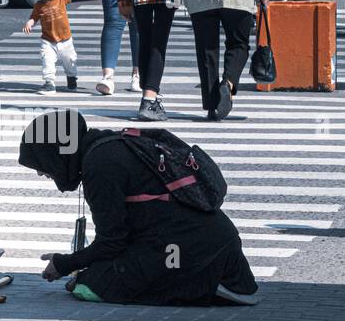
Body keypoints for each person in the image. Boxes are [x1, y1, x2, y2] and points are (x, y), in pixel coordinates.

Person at [19, 109, 260, 305]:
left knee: (90, 285)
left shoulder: (100, 166)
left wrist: (64, 264)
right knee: (95, 273)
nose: (42, 172)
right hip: (214, 244)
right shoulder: (109, 146)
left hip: (197, 253)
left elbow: (112, 241)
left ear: (56, 153)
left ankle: (205, 284)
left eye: (42, 163)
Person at [22, 0, 84, 95]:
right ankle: (49, 83)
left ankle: (72, 78)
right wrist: (30, 22)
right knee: (47, 61)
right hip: (48, 40)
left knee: (70, 61)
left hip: (65, 39)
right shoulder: (39, 5)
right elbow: (34, 17)